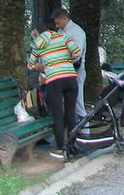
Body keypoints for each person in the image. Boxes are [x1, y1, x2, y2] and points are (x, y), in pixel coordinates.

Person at [27, 18, 83, 159]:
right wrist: (65, 60)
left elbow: (30, 64)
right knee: (71, 112)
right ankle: (72, 145)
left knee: (57, 115)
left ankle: (61, 148)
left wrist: (43, 66)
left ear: (41, 31)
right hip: (71, 79)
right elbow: (77, 53)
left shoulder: (40, 42)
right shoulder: (64, 37)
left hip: (54, 81)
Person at [52, 6, 88, 118]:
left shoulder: (76, 31)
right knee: (64, 105)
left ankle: (85, 132)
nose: (56, 26)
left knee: (78, 104)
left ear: (63, 18)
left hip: (75, 71)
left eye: (58, 22)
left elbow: (76, 55)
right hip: (62, 73)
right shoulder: (60, 31)